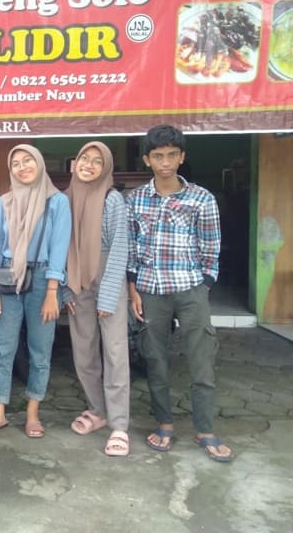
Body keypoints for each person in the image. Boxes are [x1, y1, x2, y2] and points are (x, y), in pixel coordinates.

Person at [127, 125, 234, 462]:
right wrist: (133, 289)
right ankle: (164, 423)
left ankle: (205, 429)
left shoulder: (201, 198)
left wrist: (204, 285)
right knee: (155, 359)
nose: (166, 162)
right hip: (150, 290)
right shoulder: (135, 199)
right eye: (158, 156)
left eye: (172, 155)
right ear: (147, 159)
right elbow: (131, 249)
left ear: (182, 157)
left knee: (201, 360)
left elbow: (211, 247)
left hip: (190, 290)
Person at [0, 144, 72, 439]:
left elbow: (59, 247)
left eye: (27, 160)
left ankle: (33, 412)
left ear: (40, 162)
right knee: (3, 349)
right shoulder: (3, 202)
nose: (22, 167)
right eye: (16, 163)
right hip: (8, 278)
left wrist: (53, 291)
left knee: (40, 350)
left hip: (44, 280)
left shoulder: (57, 201)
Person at [63, 142, 131, 457]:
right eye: (84, 158)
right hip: (76, 279)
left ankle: (119, 424)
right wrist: (66, 288)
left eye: (97, 161)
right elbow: (61, 246)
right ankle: (97, 410)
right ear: (74, 163)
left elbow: (119, 246)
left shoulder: (112, 199)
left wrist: (109, 294)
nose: (88, 165)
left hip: (107, 276)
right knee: (83, 349)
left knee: (115, 351)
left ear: (106, 168)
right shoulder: (66, 199)